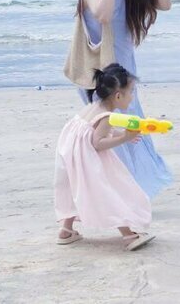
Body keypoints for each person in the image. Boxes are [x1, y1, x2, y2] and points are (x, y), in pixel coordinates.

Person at [74, 0, 173, 198]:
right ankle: (117, 193)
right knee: (107, 131)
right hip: (99, 75)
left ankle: (132, 191)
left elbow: (165, 4)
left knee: (132, 131)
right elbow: (103, 14)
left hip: (125, 74)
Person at [54, 63, 156, 251]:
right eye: (131, 92)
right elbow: (97, 142)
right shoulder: (107, 116)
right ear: (118, 96)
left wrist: (120, 133)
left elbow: (92, 129)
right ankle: (128, 235)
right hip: (86, 155)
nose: (132, 97)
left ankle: (66, 231)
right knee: (107, 189)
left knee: (71, 187)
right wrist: (124, 138)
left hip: (69, 149)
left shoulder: (94, 106)